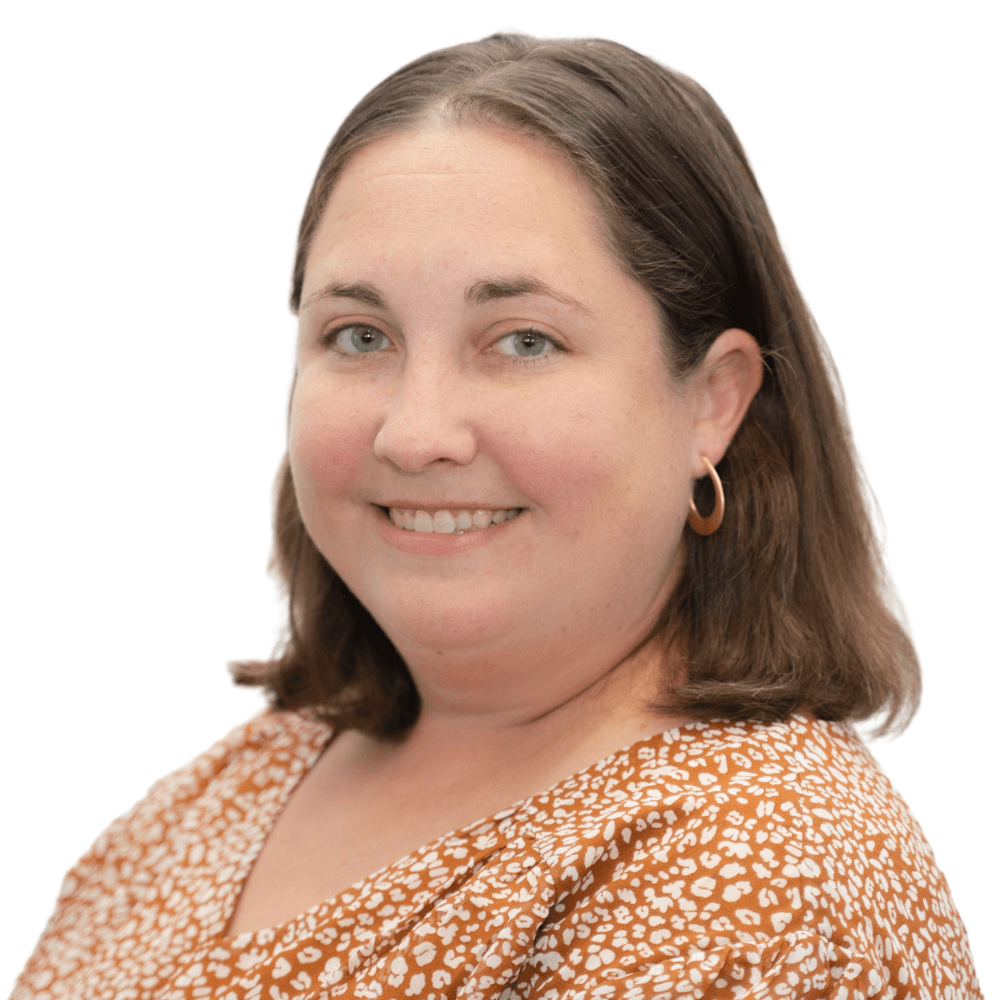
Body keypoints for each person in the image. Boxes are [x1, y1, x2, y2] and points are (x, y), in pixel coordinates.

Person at [13, 33, 980, 999]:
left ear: (712, 401)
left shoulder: (752, 869)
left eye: (523, 339)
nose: (416, 431)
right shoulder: (228, 792)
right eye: (359, 334)